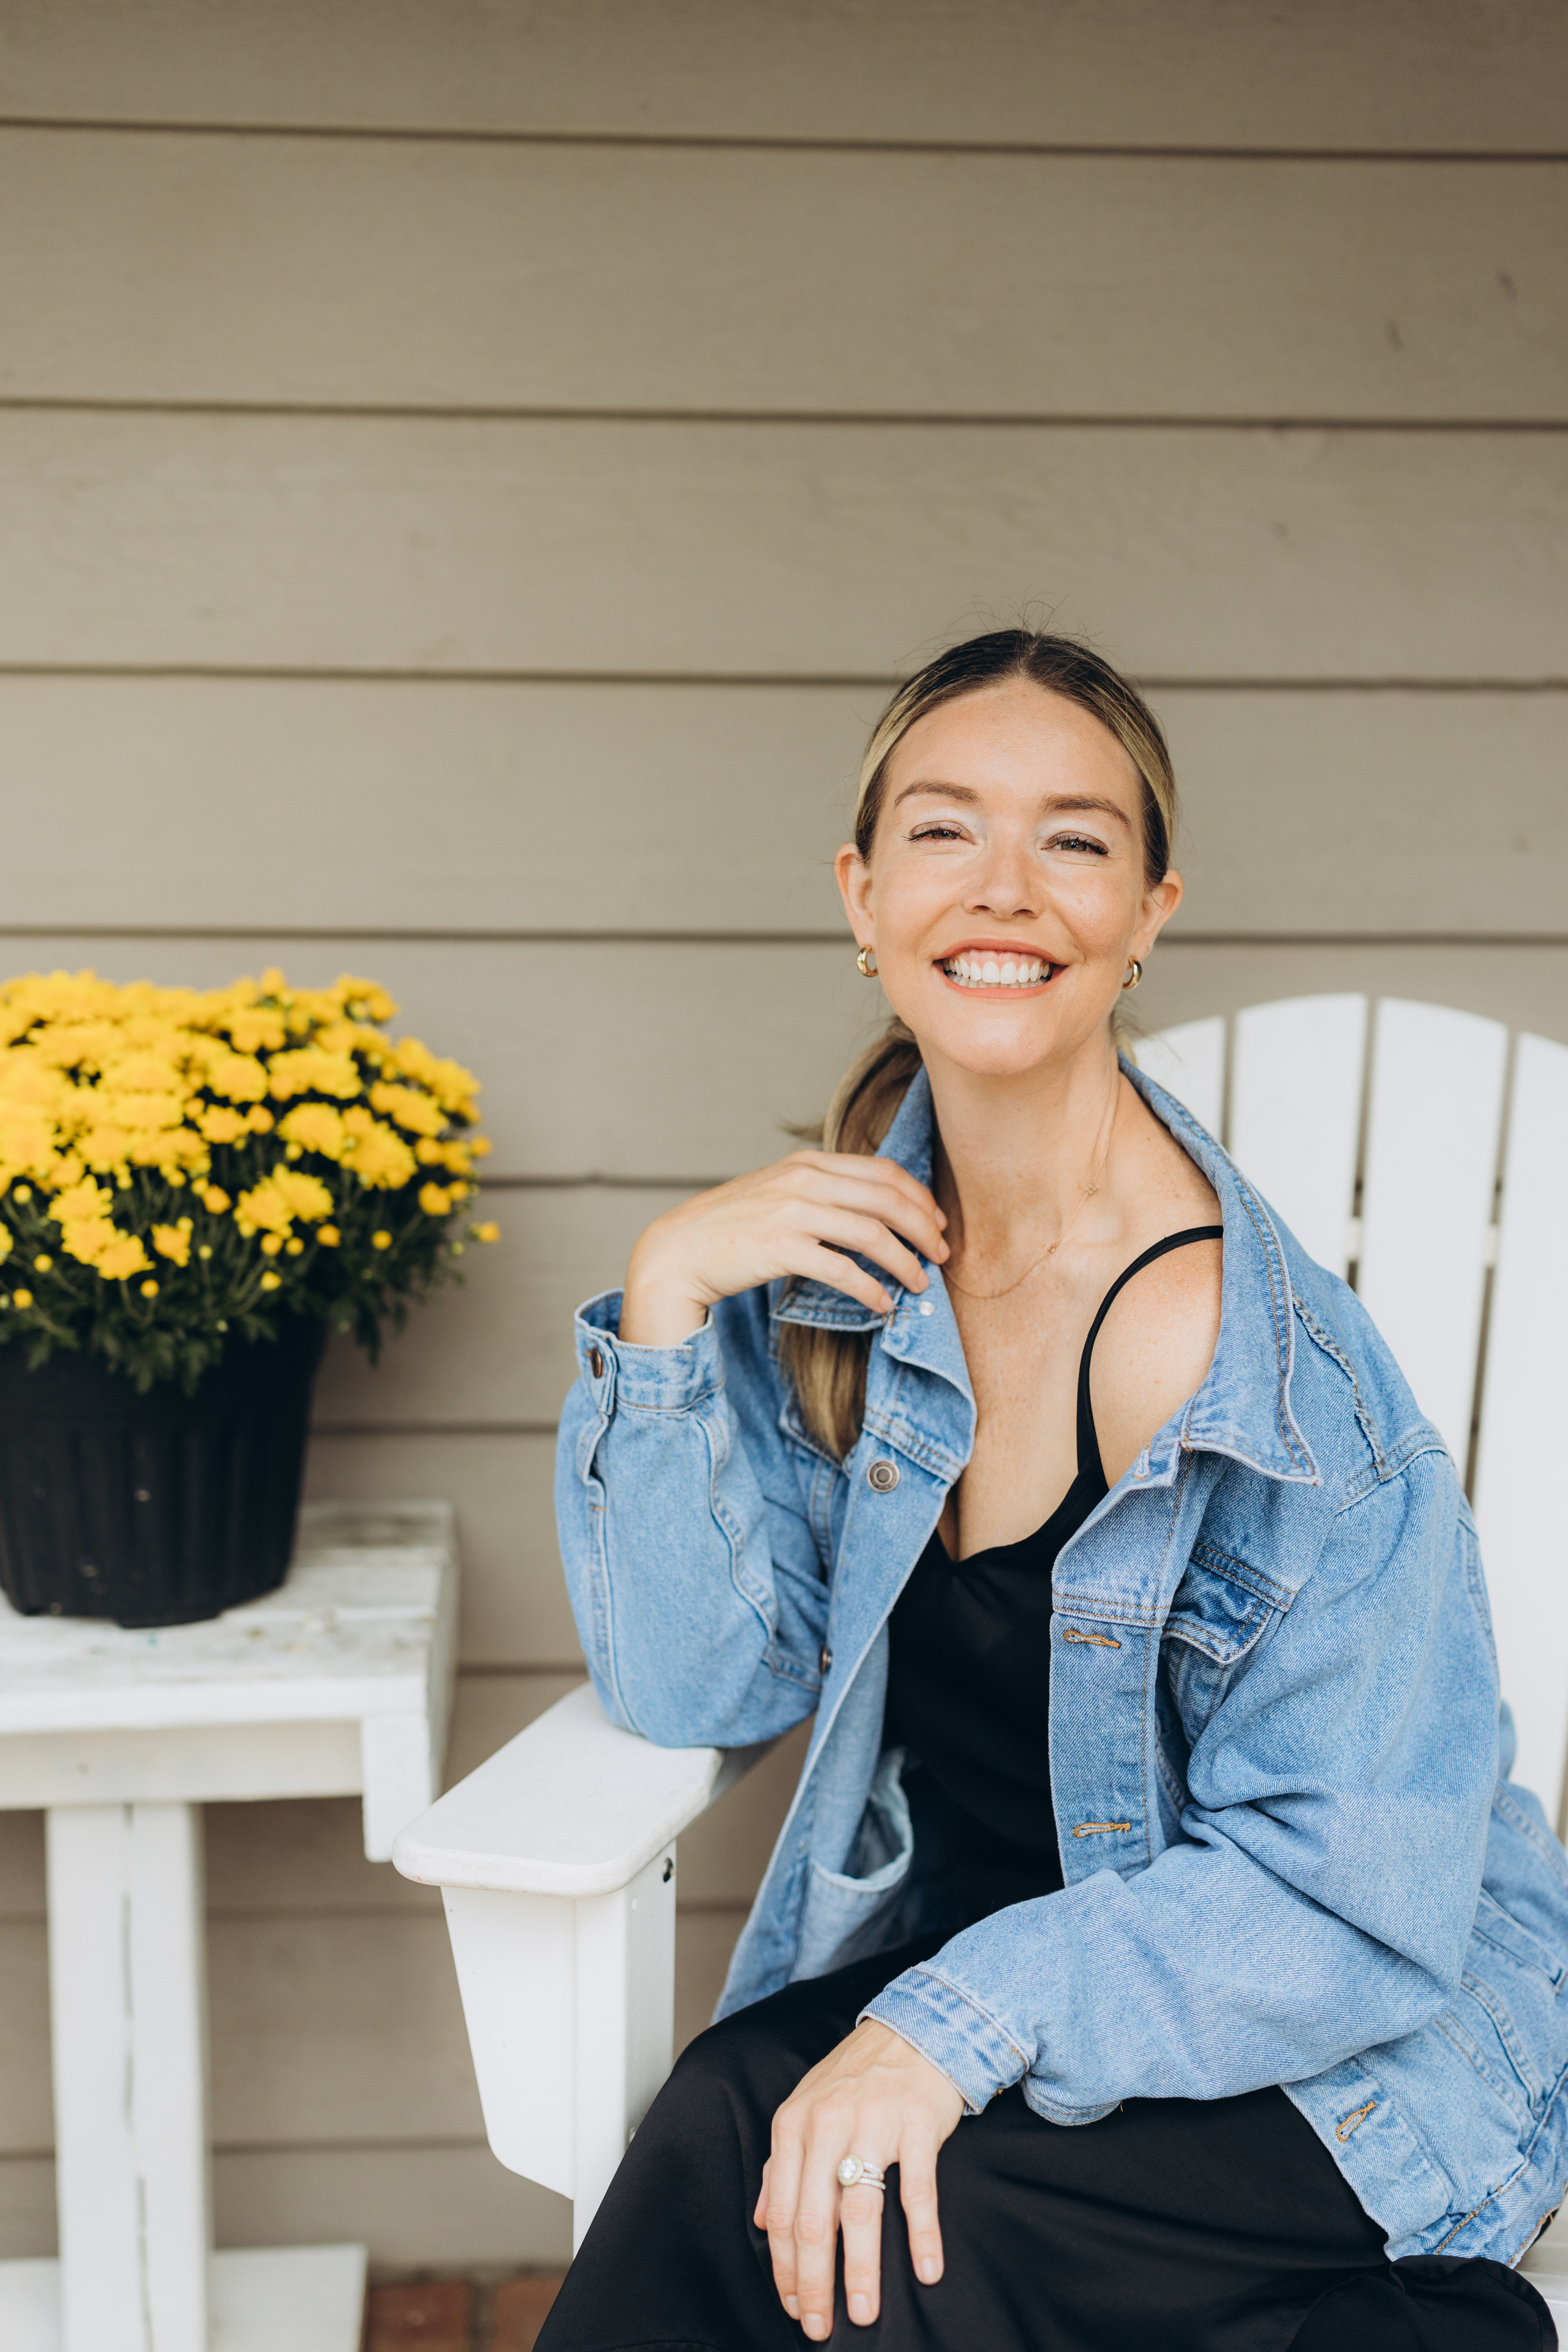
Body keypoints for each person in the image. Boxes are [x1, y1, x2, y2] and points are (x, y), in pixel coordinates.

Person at [537, 631, 1564, 2350]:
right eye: (945, 832)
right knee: (726, 2119)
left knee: (890, 2247)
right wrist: (662, 1304)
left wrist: (946, 2023)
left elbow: (1356, 1899)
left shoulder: (1264, 1382)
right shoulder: (855, 1271)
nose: (1004, 887)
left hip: (1355, 2052)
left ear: (1149, 909)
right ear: (863, 897)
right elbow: (694, 1685)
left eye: (1075, 839)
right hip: (1057, 1993)